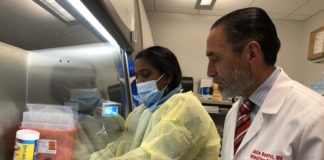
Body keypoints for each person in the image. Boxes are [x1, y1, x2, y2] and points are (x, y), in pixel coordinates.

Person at [205, 7, 324, 160]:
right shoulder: (235, 113)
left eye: (215, 59)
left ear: (252, 53)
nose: (210, 72)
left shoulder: (314, 117)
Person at [90, 46, 221, 160]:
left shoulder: (186, 107)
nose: (139, 82)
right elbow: (120, 145)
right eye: (137, 76)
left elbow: (153, 156)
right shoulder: (141, 112)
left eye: (145, 74)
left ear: (168, 77)